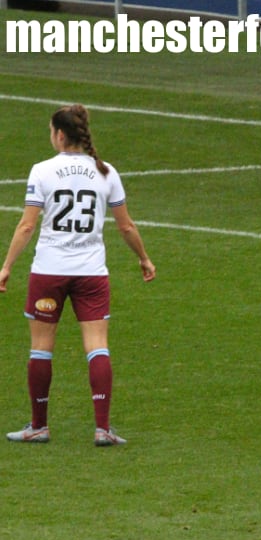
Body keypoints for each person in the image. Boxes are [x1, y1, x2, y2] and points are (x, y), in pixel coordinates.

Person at [0, 104, 156, 447]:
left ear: (59, 135)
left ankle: (39, 426)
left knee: (41, 348)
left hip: (48, 271)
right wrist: (143, 257)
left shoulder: (42, 171)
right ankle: (102, 429)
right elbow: (126, 225)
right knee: (97, 346)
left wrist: (7, 265)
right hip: (91, 273)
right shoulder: (106, 172)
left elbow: (27, 225)